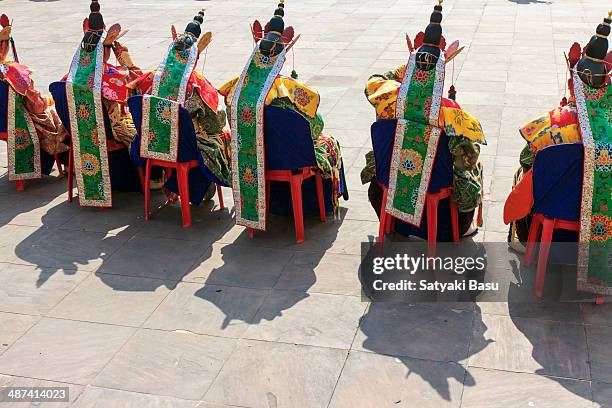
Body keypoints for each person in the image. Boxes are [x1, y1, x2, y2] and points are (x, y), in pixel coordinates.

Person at [504, 12, 611, 295]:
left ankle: (537, 249)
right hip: (603, 217)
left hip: (555, 210)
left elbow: (527, 159)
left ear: (572, 83)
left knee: (525, 174)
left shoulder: (553, 124)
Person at [361, 0, 486, 239]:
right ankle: (451, 227)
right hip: (436, 191)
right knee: (473, 161)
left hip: (393, 182)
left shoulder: (388, 99)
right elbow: (468, 157)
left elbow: (374, 80)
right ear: (441, 71)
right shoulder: (451, 113)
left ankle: (398, 222)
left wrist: (407, 66)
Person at [219, 0, 346, 232]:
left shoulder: (237, 92)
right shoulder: (289, 92)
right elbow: (315, 126)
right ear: (282, 55)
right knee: (329, 142)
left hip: (256, 162)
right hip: (292, 160)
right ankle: (315, 207)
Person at [128, 10, 230, 198]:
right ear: (193, 57)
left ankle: (166, 179)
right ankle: (190, 188)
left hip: (152, 144)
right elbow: (215, 122)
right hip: (182, 148)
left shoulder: (153, 76)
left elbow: (133, 92)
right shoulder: (196, 83)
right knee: (220, 138)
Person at [60, 0, 142, 207]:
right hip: (109, 135)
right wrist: (126, 61)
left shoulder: (69, 79)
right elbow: (140, 84)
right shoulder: (114, 79)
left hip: (81, 138)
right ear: (104, 51)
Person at [0, 14, 69, 182]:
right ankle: (68, 166)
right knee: (57, 118)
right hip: (18, 121)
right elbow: (36, 105)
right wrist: (47, 101)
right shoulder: (11, 72)